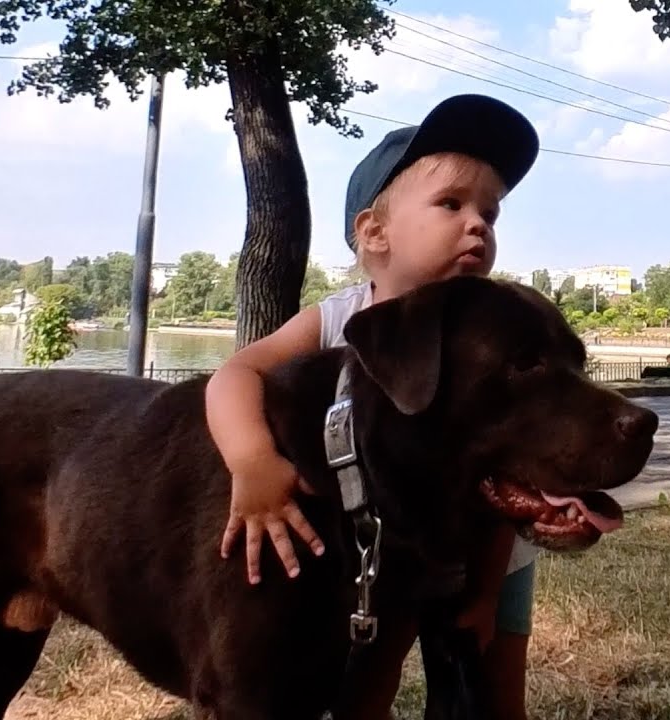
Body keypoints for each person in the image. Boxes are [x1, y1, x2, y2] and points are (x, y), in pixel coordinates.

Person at [203, 93, 541, 719]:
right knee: (363, 691)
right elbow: (235, 373)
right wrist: (251, 461)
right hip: (383, 558)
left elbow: (503, 473)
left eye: (490, 212)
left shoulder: (489, 335)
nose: (479, 224)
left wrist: (488, 591)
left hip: (490, 549)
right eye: (452, 204)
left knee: (490, 696)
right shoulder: (339, 319)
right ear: (374, 232)